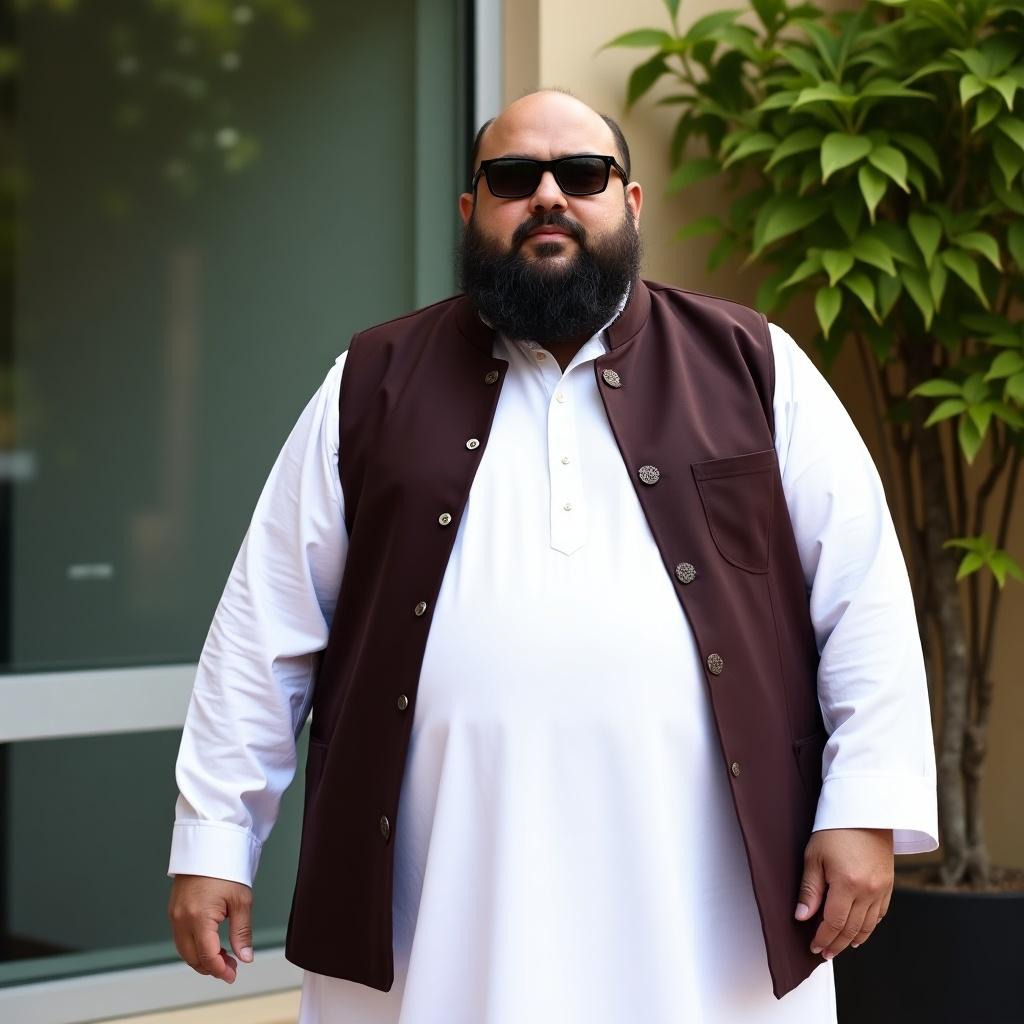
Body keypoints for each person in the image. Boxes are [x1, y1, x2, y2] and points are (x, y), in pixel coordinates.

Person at [167, 89, 938, 1023]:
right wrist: (214, 840)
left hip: (702, 890)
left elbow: (863, 596)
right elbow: (266, 621)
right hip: (438, 882)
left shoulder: (752, 364)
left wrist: (862, 808)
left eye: (580, 174)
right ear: (470, 209)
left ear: (632, 203)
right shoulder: (370, 380)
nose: (547, 196)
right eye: (511, 177)